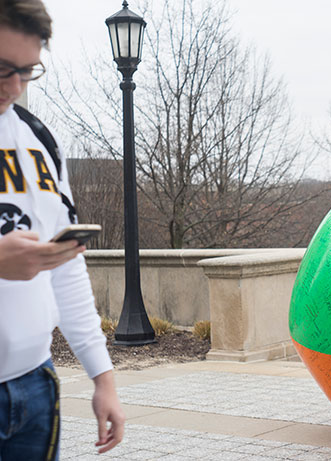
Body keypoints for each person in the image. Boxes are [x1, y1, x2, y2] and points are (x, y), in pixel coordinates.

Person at [0, 0, 125, 458]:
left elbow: (66, 267)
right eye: (1, 68)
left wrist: (103, 377)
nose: (14, 86)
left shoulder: (41, 142)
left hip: (35, 387)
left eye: (28, 70)